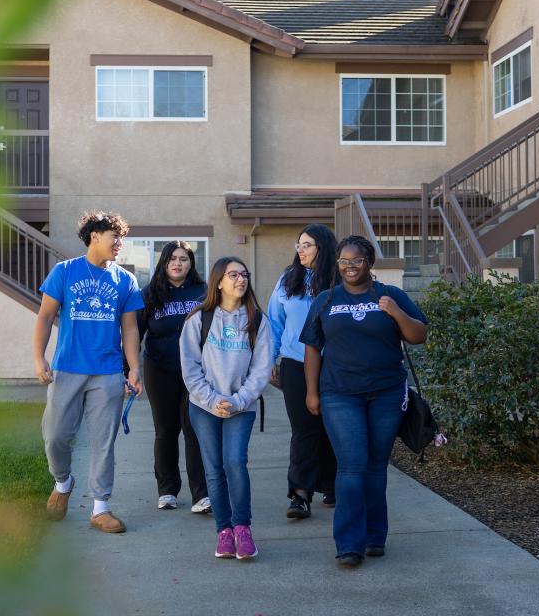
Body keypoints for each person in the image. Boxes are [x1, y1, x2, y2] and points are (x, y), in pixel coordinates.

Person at [300, 235, 428, 568]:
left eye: (357, 261)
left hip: (386, 393)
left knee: (375, 466)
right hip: (340, 393)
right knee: (352, 465)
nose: (350, 267)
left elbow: (419, 335)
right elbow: (312, 347)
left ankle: (374, 536)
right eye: (344, 261)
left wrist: (396, 312)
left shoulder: (391, 295)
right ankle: (349, 543)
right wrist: (311, 392)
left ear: (369, 262)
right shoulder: (326, 300)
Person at [34, 211, 145, 534]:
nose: (119, 243)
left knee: (103, 442)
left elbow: (130, 329)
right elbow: (44, 318)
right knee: (55, 436)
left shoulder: (125, 280)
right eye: (115, 237)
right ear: (95, 236)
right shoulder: (64, 272)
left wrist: (134, 368)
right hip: (67, 368)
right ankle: (63, 482)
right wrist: (39, 359)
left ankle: (100, 508)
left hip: (107, 372)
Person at [179, 256, 273, 560]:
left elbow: (261, 370)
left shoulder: (257, 320)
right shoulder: (199, 319)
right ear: (218, 281)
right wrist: (211, 400)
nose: (240, 280)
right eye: (233, 275)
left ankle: (243, 529)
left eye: (244, 274)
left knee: (235, 462)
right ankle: (224, 531)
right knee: (214, 469)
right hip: (203, 406)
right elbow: (189, 367)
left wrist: (237, 401)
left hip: (240, 407)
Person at [267, 223, 339, 519]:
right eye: (298, 244)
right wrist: (270, 360)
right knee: (304, 429)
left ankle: (333, 485)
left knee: (334, 427)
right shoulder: (288, 280)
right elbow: (274, 322)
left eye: (307, 245)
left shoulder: (339, 280)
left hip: (336, 366)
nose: (300, 249)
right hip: (295, 365)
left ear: (322, 248)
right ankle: (300, 495)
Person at [138, 240, 211, 514]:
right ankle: (167, 490)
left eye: (183, 258)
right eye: (172, 259)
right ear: (163, 263)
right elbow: (136, 333)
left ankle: (201, 495)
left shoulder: (203, 292)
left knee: (194, 429)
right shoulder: (150, 294)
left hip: (197, 372)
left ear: (191, 263)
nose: (177, 263)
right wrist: (128, 369)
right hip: (160, 370)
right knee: (166, 431)